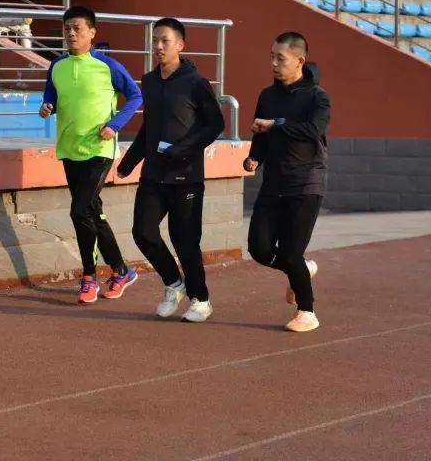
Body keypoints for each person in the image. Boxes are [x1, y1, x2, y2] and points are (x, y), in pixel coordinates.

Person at [117, 18, 224, 323]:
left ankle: (201, 300)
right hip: (154, 174)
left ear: (180, 45)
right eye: (155, 41)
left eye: (165, 40)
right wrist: (129, 161)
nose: (159, 46)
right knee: (143, 232)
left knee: (184, 240)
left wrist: (184, 149)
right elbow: (149, 126)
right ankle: (174, 284)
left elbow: (215, 124)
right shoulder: (150, 81)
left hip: (186, 175)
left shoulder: (196, 82)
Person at [40, 6, 143, 304]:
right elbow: (51, 97)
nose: (71, 33)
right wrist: (47, 107)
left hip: (99, 149)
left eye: (77, 28)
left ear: (92, 33)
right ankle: (121, 271)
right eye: (67, 28)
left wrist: (115, 125)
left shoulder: (107, 65)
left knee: (78, 210)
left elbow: (135, 95)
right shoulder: (57, 66)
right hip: (69, 148)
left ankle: (89, 276)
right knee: (92, 212)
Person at [243, 31, 330, 332]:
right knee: (259, 248)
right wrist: (255, 157)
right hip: (274, 183)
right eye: (271, 57)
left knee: (291, 252)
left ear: (299, 61)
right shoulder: (267, 96)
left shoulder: (317, 97)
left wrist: (275, 124)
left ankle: (307, 311)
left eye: (280, 58)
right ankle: (301, 270)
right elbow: (261, 133)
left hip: (306, 183)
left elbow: (313, 130)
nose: (273, 63)